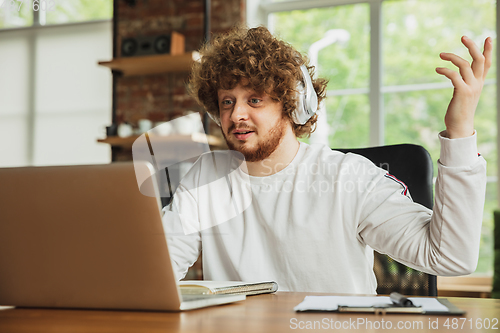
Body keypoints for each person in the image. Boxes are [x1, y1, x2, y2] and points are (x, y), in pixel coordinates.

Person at [161, 26, 492, 294]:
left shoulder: (349, 178)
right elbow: (159, 269)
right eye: (227, 102)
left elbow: (450, 257)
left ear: (293, 104)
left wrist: (460, 131)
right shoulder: (206, 176)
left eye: (255, 99)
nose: (236, 114)